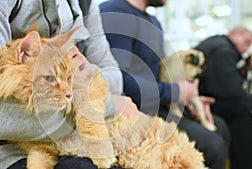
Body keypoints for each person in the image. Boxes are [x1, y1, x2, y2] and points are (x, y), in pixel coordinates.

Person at [0, 0, 139, 168]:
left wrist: (85, 69)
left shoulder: (85, 3)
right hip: (1, 151)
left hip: (75, 137)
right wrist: (107, 106)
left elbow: (115, 77)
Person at [99, 0, 230, 169]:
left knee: (220, 126)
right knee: (213, 146)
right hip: (133, 112)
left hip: (158, 106)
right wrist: (176, 91)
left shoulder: (154, 22)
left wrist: (188, 100)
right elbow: (120, 80)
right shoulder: (115, 13)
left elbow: (157, 75)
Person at [195, 26, 252, 169]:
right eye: (246, 42)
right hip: (200, 102)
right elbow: (229, 88)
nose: (247, 48)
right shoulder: (223, 50)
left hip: (201, 97)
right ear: (234, 34)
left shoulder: (218, 45)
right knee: (242, 109)